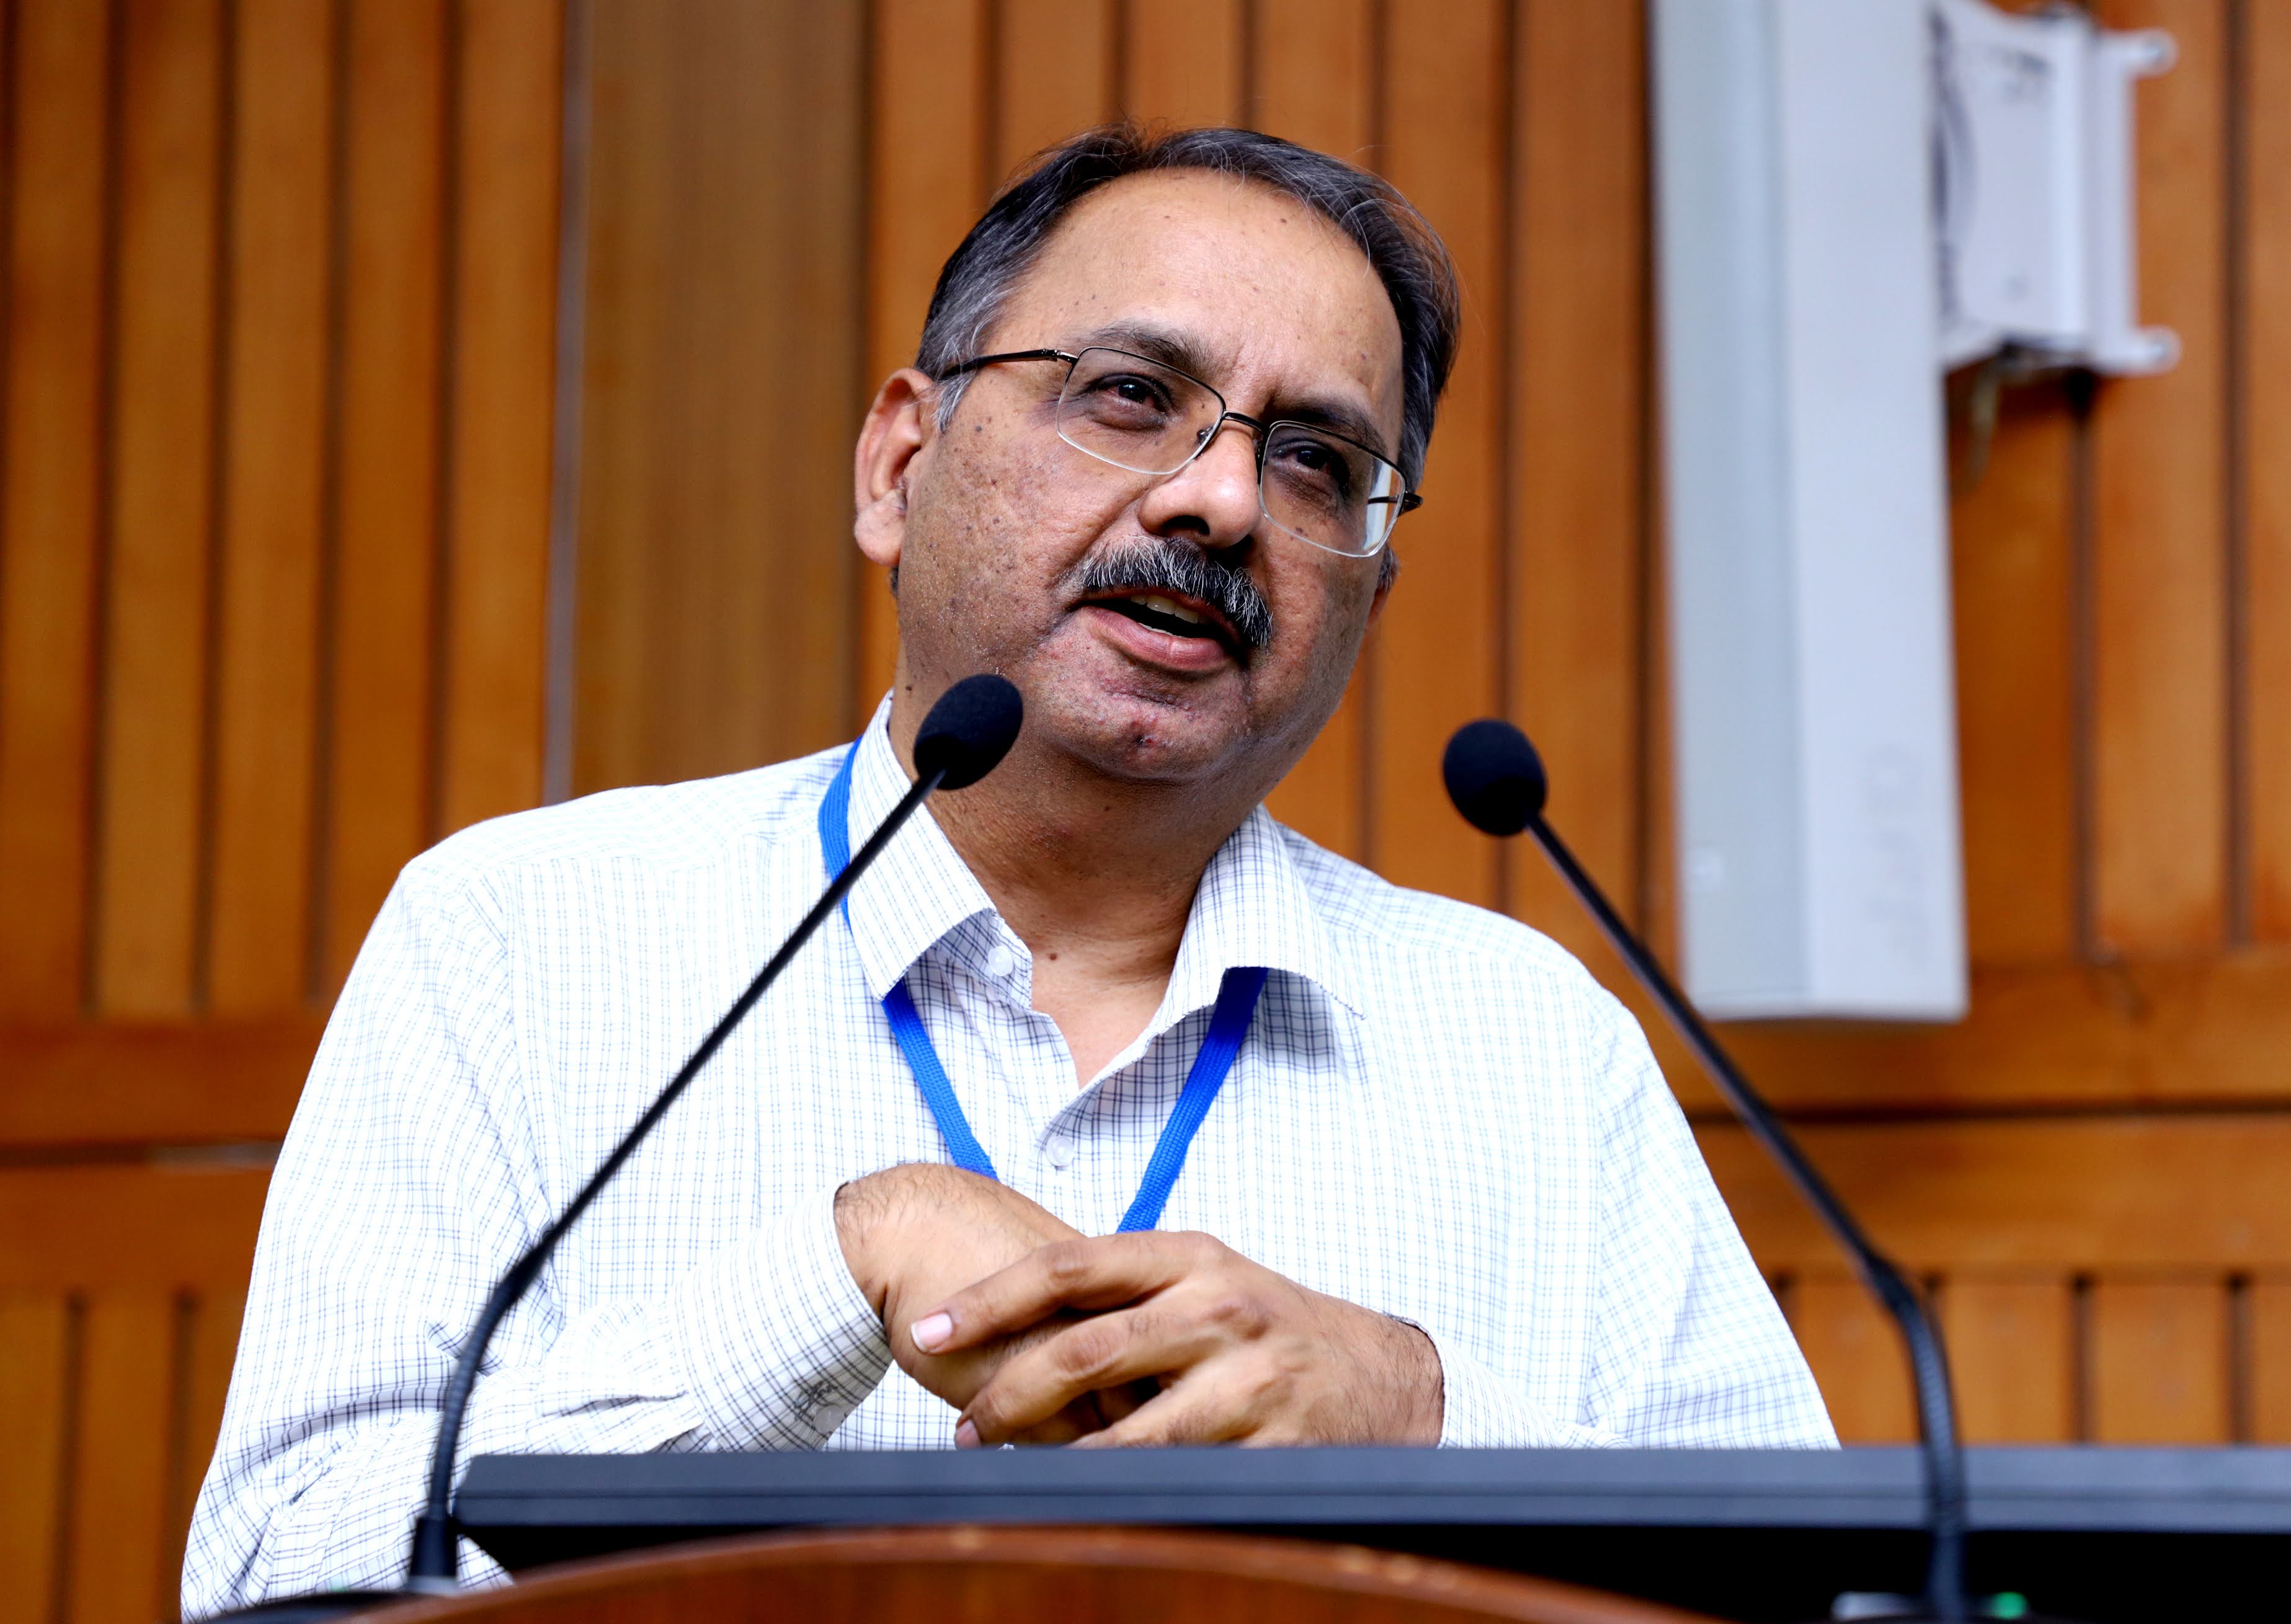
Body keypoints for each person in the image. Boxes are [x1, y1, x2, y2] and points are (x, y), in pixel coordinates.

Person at [184, 124, 1833, 1616]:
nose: (1220, 499)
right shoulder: (524, 936)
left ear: (1367, 602)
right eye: (1130, 395)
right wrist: (833, 1273)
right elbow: (284, 1574)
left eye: (1316, 462)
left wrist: (1422, 1419)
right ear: (900, 466)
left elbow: (1813, 1591)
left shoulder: (1535, 1048)